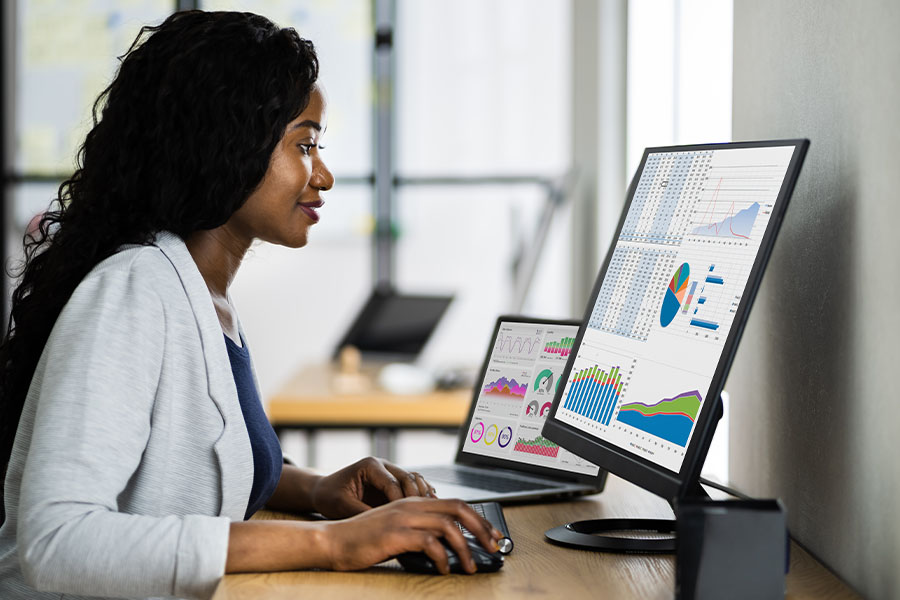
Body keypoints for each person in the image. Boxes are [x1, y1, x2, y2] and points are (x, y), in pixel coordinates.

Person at [0, 10, 500, 600]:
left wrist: (315, 491)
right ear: (227, 144)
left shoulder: (202, 295)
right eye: (305, 145)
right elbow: (57, 541)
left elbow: (202, 468)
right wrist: (335, 544)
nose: (325, 175)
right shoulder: (136, 290)